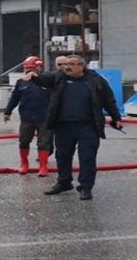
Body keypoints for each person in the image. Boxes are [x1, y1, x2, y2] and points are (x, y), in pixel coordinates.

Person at [27, 54, 122, 201]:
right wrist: (33, 74)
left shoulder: (95, 80)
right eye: (65, 64)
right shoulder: (59, 77)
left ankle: (85, 187)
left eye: (71, 64)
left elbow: (108, 100)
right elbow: (43, 80)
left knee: (87, 157)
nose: (66, 67)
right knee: (62, 156)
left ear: (81, 66)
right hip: (64, 125)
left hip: (88, 126)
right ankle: (64, 182)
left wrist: (116, 118)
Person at [2, 56, 52, 176]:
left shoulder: (48, 81)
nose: (29, 71)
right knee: (23, 141)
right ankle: (24, 163)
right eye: (27, 69)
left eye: (32, 68)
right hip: (27, 118)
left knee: (44, 143)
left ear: (40, 68)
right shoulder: (21, 82)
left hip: (44, 117)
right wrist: (7, 112)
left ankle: (43, 166)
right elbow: (15, 98)